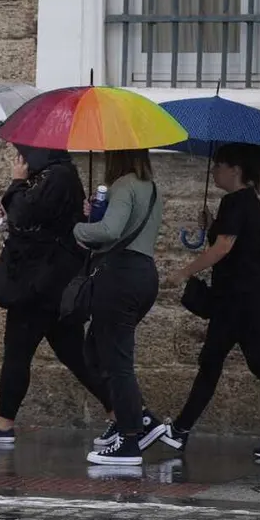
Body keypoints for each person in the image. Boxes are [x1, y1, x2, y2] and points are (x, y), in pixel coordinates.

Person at [0, 145, 112, 445]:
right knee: (76, 355)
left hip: (40, 286)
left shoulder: (58, 176)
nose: (20, 158)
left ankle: (3, 426)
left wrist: (16, 183)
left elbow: (27, 213)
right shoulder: (52, 175)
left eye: (23, 151)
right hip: (49, 283)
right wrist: (12, 199)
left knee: (17, 352)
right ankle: (129, 415)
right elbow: (26, 217)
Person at [165, 143, 260, 461]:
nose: (213, 170)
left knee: (259, 365)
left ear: (236, 169)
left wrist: (184, 272)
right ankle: (180, 430)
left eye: (218, 165)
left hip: (243, 301)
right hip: (233, 300)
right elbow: (226, 241)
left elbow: (223, 248)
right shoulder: (235, 202)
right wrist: (210, 225)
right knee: (212, 363)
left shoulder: (239, 202)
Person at [74, 150, 167, 466]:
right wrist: (97, 215)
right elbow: (120, 227)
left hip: (120, 277)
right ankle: (140, 419)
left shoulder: (123, 185)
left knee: (117, 362)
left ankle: (130, 441)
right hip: (144, 276)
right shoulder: (150, 186)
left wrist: (80, 229)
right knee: (94, 351)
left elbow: (111, 232)